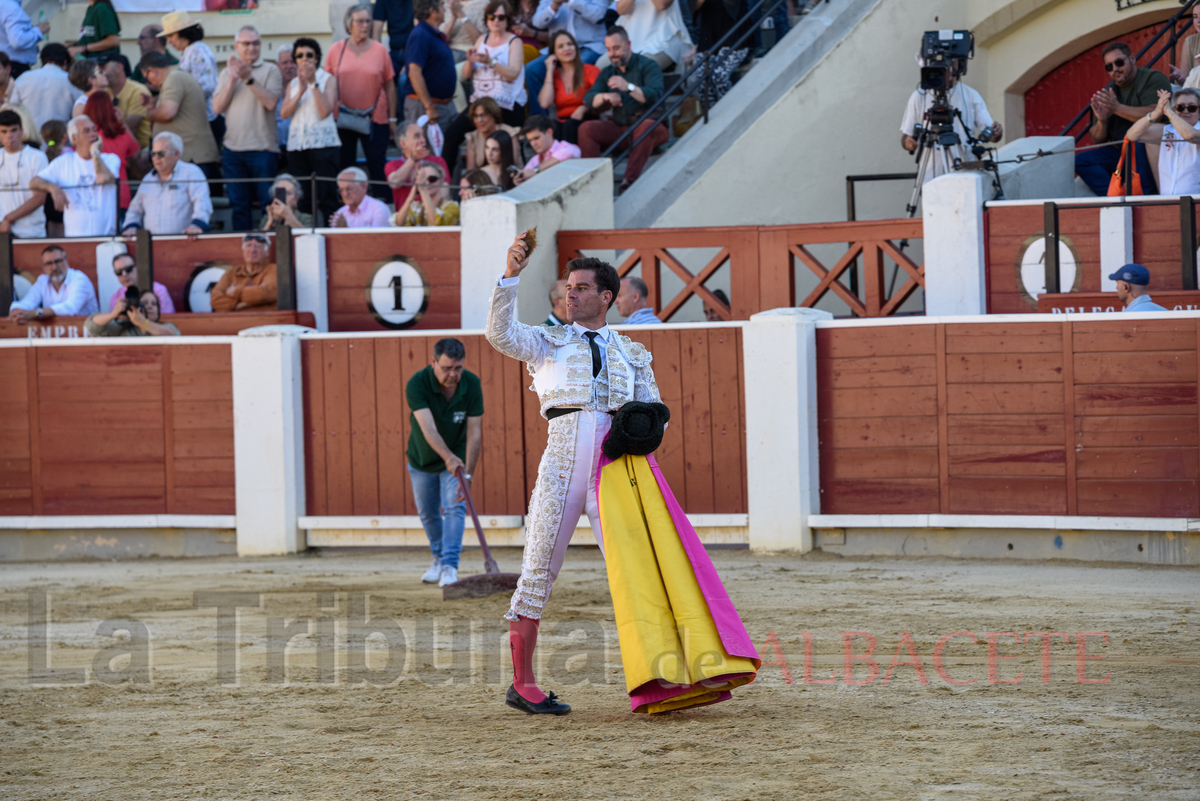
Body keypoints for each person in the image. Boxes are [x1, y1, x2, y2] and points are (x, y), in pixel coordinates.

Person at [485, 234, 663, 715]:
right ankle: (522, 686)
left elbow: (655, 413)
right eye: (569, 287)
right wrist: (510, 275)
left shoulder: (633, 352)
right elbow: (499, 336)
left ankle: (657, 676)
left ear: (606, 297)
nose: (571, 294)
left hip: (618, 469)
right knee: (537, 569)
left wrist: (640, 433)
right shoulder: (545, 341)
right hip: (562, 464)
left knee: (637, 573)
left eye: (582, 288)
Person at [405, 337, 483, 588]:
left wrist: (468, 474)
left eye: (458, 368)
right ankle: (438, 557)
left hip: (457, 460)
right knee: (428, 513)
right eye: (447, 368)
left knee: (454, 508)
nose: (453, 374)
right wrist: (447, 457)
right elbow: (427, 429)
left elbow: (475, 432)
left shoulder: (471, 384)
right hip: (422, 459)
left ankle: (449, 565)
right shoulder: (417, 384)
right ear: (433, 362)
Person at [1075, 43, 1169, 197]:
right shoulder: (1108, 93)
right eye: (1109, 67)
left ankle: (1147, 198)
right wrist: (1102, 121)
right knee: (1081, 161)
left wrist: (1117, 108)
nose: (1115, 69)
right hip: (1121, 152)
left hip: (1151, 148)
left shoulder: (1152, 78)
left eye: (1119, 63)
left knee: (1139, 139)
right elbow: (1098, 140)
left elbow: (1156, 114)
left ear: (1132, 58)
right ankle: (1114, 199)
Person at [212, 26, 282, 232]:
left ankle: (269, 245)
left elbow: (270, 103)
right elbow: (217, 108)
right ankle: (242, 247)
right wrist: (233, 78)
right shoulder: (226, 72)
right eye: (246, 44)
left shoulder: (271, 70)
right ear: (236, 47)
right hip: (233, 151)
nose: (252, 48)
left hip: (263, 150)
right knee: (238, 206)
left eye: (256, 43)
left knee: (266, 205)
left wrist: (248, 79)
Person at [580, 26, 667, 190]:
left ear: (628, 44)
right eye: (608, 49)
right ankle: (593, 183)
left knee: (647, 125)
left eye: (616, 48)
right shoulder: (607, 72)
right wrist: (604, 97)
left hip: (650, 128)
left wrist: (628, 87)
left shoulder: (648, 65)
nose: (612, 54)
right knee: (586, 128)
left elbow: (654, 95)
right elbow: (589, 99)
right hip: (621, 129)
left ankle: (628, 182)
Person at [326, 4, 399, 201]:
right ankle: (349, 206)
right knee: (345, 165)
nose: (365, 25)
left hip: (376, 117)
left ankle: (383, 205)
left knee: (377, 164)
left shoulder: (380, 50)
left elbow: (390, 86)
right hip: (343, 117)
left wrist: (392, 118)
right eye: (360, 21)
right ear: (349, 24)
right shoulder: (336, 50)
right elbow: (327, 82)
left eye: (367, 21)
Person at [442, 0, 527, 167]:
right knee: (452, 135)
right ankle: (445, 185)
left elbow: (513, 74)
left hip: (507, 103)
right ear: (486, 20)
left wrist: (490, 61)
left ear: (507, 20)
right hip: (481, 102)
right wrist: (469, 62)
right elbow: (466, 75)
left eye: (501, 17)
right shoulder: (481, 39)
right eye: (491, 17)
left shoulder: (514, 42)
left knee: (506, 146)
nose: (496, 21)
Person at [900, 57, 1002, 184]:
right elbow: (906, 137)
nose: (944, 71)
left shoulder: (970, 95)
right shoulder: (919, 96)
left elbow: (993, 136)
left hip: (964, 176)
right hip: (931, 175)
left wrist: (997, 131)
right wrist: (909, 143)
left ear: (958, 68)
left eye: (948, 66)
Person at [279, 38, 339, 223]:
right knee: (303, 197)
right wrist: (299, 91)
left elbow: (324, 111)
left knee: (328, 195)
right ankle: (305, 236)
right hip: (297, 146)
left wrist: (313, 84)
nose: (304, 59)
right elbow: (284, 113)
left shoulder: (328, 79)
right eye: (299, 55)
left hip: (324, 144)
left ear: (317, 58)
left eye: (309, 55)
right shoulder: (293, 84)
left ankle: (332, 239)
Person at [30, 115, 120, 237]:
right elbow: (34, 182)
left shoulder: (111, 159)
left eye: (94, 129)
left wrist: (95, 152)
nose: (93, 134)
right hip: (74, 239)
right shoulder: (64, 162)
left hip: (107, 238)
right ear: (74, 138)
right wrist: (53, 187)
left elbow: (103, 178)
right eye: (86, 131)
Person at [139, 51, 221, 179]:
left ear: (153, 71)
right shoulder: (175, 76)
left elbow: (167, 112)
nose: (150, 83)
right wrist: (153, 105)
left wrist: (149, 114)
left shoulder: (174, 77)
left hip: (192, 158)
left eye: (146, 77)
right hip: (191, 157)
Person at [525, 0, 606, 117]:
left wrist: (571, 2)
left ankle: (581, 113)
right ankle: (539, 122)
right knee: (532, 69)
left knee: (577, 64)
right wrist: (554, 6)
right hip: (559, 49)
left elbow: (599, 15)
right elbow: (537, 23)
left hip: (589, 45)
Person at [121, 131, 211, 236]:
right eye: (153, 154)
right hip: (152, 246)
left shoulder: (191, 172)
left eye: (161, 153)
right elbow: (135, 209)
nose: (156, 158)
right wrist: (131, 226)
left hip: (185, 243)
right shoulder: (148, 179)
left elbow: (202, 203)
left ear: (176, 154)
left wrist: (196, 226)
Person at [159, 11, 219, 143]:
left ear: (183, 32)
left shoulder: (198, 51)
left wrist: (180, 101)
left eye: (171, 35)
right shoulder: (191, 51)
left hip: (206, 119)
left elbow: (206, 87)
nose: (168, 41)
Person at [1127, 88, 1200, 196]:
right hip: (1168, 201)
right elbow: (1132, 135)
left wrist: (1170, 113)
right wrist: (1155, 113)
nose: (1185, 111)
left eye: (1192, 107)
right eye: (1180, 107)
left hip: (1196, 203)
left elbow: (1190, 135)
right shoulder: (1167, 130)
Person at [536, 30, 600, 143]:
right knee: (551, 126)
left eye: (570, 44)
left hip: (586, 120)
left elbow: (600, 94)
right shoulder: (554, 75)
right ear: (554, 53)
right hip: (563, 126)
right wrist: (550, 71)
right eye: (561, 46)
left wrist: (584, 108)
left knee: (569, 126)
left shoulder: (590, 70)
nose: (567, 48)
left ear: (576, 47)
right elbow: (544, 103)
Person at [7, 245, 98, 324]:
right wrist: (16, 312)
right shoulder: (42, 280)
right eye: (49, 263)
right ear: (43, 267)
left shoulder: (79, 279)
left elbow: (70, 308)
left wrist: (36, 313)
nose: (54, 267)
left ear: (67, 262)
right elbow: (27, 302)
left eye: (58, 261)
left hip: (87, 335)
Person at [405, 0, 459, 126]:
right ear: (432, 11)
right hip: (425, 107)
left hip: (443, 105)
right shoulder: (420, 35)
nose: (445, 9)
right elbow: (414, 73)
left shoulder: (433, 34)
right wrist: (429, 107)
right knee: (424, 145)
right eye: (442, 6)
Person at [83, 93, 139, 214]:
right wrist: (123, 123)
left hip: (93, 195)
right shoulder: (121, 132)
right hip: (121, 194)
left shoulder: (86, 136)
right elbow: (136, 153)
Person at [607, 0, 692, 73]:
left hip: (664, 39)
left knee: (636, 70)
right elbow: (622, 10)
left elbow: (662, 4)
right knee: (600, 66)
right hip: (631, 38)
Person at [0, 108, 47, 237]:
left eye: (13, 130)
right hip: (3, 232)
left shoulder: (37, 157)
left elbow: (40, 198)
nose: (9, 136)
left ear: (22, 131)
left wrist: (8, 218)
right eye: (4, 131)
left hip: (31, 232)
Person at [11, 43, 82, 129]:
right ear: (65, 61)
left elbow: (13, 109)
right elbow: (80, 113)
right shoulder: (71, 80)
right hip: (61, 137)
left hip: (30, 136)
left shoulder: (24, 78)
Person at [385, 121, 450, 208]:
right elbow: (395, 183)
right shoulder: (393, 164)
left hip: (434, 216)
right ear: (403, 143)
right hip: (407, 218)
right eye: (417, 136)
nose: (423, 140)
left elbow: (445, 191)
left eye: (423, 135)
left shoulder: (438, 161)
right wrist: (413, 160)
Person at [210, 233, 277, 312]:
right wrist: (239, 305)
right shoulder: (231, 273)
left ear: (267, 252)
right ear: (243, 250)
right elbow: (215, 300)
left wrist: (234, 291)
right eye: (248, 245)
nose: (252, 250)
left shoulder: (274, 270)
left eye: (258, 247)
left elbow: (265, 294)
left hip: (263, 321)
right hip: (232, 322)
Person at [102, 251, 175, 315]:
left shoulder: (159, 291)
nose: (124, 274)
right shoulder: (116, 296)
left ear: (137, 268)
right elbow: (114, 324)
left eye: (128, 269)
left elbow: (168, 320)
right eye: (119, 272)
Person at [86, 288, 180, 337]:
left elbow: (171, 334)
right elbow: (91, 325)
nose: (150, 306)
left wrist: (143, 323)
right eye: (145, 303)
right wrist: (112, 314)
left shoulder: (167, 326)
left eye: (154, 304)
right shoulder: (121, 328)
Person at [513, 114, 579, 183]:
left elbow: (570, 153)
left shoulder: (566, 147)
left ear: (549, 132)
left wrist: (536, 170)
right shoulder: (534, 160)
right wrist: (520, 180)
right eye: (530, 140)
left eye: (536, 138)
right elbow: (526, 174)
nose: (533, 144)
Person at [104, 57, 153, 148]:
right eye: (98, 70)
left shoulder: (138, 91)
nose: (101, 72)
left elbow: (131, 128)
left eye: (103, 67)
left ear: (119, 67)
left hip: (141, 149)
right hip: (114, 147)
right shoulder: (103, 93)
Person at [463, 96, 522, 170]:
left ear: (493, 114)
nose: (479, 120)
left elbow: (512, 164)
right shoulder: (472, 137)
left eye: (483, 115)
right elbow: (471, 171)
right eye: (476, 116)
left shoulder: (509, 133)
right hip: (482, 180)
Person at [394, 160, 460, 225]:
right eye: (423, 180)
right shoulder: (415, 207)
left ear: (441, 180)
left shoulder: (452, 206)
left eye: (432, 179)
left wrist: (423, 191)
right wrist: (410, 198)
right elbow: (399, 224)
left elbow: (434, 223)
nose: (427, 183)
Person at [372, 0, 415, 96]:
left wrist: (410, 61)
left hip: (412, 52)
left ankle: (402, 111)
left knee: (403, 81)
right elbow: (376, 31)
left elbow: (419, 27)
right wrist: (378, 60)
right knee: (378, 80)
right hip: (393, 53)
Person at [0, 0, 49, 79]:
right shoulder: (11, 8)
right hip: (14, 68)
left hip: (7, 67)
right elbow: (18, 41)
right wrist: (38, 31)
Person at [131, 24, 176, 89]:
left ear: (155, 40)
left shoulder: (174, 64)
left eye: (142, 38)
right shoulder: (140, 65)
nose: (138, 43)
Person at [274, 45, 296, 172]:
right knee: (280, 188)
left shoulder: (305, 89)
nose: (289, 66)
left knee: (297, 188)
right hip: (276, 150)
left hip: (297, 149)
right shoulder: (272, 87)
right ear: (277, 65)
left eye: (292, 62)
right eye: (285, 63)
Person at [1172, 6, 1200, 86]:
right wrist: (1181, 80)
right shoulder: (1190, 41)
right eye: (1195, 17)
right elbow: (1185, 83)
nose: (1198, 21)